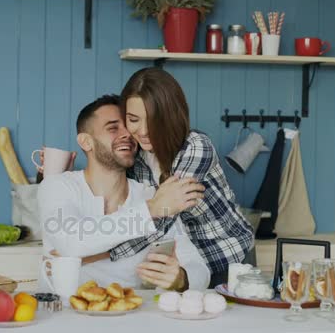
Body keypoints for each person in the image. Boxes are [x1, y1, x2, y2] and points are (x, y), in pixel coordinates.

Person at [37, 95, 209, 290]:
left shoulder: (150, 195)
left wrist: (181, 279)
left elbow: (199, 268)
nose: (127, 134)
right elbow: (70, 242)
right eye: (112, 128)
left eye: (128, 128)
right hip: (62, 315)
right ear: (86, 142)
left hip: (131, 315)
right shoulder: (57, 187)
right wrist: (151, 209)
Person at [108, 67, 255, 287]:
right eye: (133, 119)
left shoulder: (195, 147)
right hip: (185, 266)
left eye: (153, 119)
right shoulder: (136, 159)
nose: (143, 130)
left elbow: (162, 217)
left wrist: (106, 253)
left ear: (170, 115)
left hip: (228, 258)